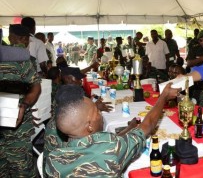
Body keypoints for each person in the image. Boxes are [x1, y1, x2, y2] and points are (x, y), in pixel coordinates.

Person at [45, 83, 180, 177]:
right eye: (97, 112)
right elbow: (148, 125)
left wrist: (128, 128)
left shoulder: (52, 159)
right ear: (89, 126)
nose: (101, 114)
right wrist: (163, 97)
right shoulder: (111, 148)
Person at [0, 25, 41, 177]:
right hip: (15, 129)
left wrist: (24, 106)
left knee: (20, 170)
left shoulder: (18, 57)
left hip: (16, 128)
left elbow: (36, 87)